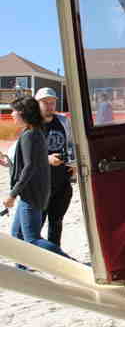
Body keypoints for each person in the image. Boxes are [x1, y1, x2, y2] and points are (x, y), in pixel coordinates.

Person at [1, 96, 72, 266]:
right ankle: (22, 268)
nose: (11, 115)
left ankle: (69, 263)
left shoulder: (30, 135)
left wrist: (12, 195)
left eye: (14, 111)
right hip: (34, 193)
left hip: (31, 194)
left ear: (23, 113)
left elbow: (29, 168)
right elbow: (31, 163)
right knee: (17, 234)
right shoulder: (33, 132)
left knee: (32, 239)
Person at [34, 87, 74, 247]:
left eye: (52, 102)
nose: (49, 105)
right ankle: (32, 258)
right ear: (37, 103)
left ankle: (54, 254)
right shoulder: (32, 124)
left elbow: (71, 143)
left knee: (56, 222)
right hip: (40, 184)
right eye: (45, 102)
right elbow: (24, 154)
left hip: (61, 180)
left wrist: (73, 163)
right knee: (36, 223)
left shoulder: (63, 121)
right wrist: (46, 159)